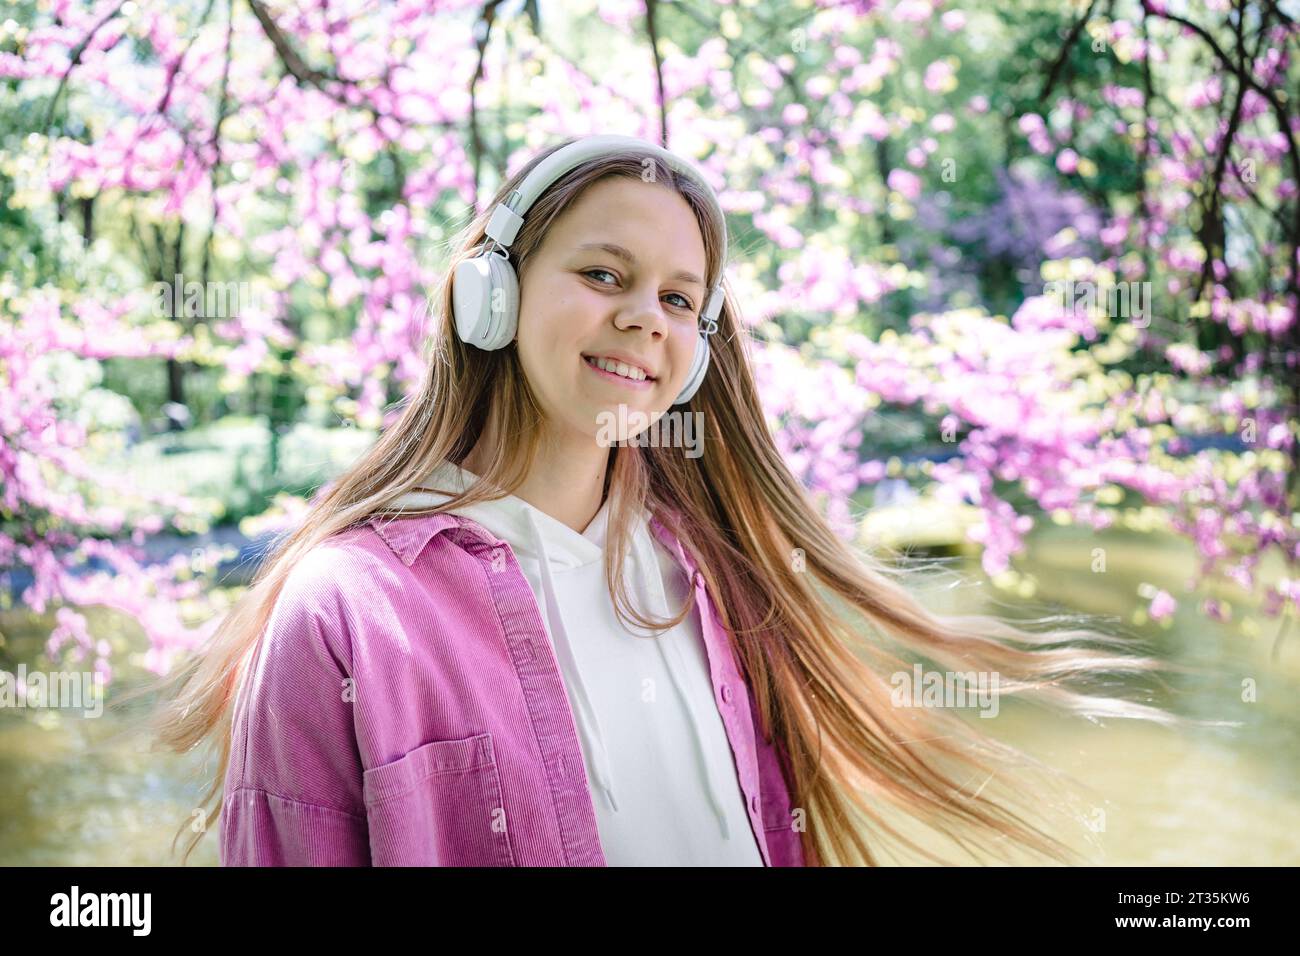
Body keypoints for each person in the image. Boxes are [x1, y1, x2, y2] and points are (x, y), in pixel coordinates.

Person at [141, 134, 1179, 866]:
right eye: (604, 273)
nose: (645, 316)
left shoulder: (714, 579)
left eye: (679, 298)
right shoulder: (345, 611)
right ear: (489, 295)